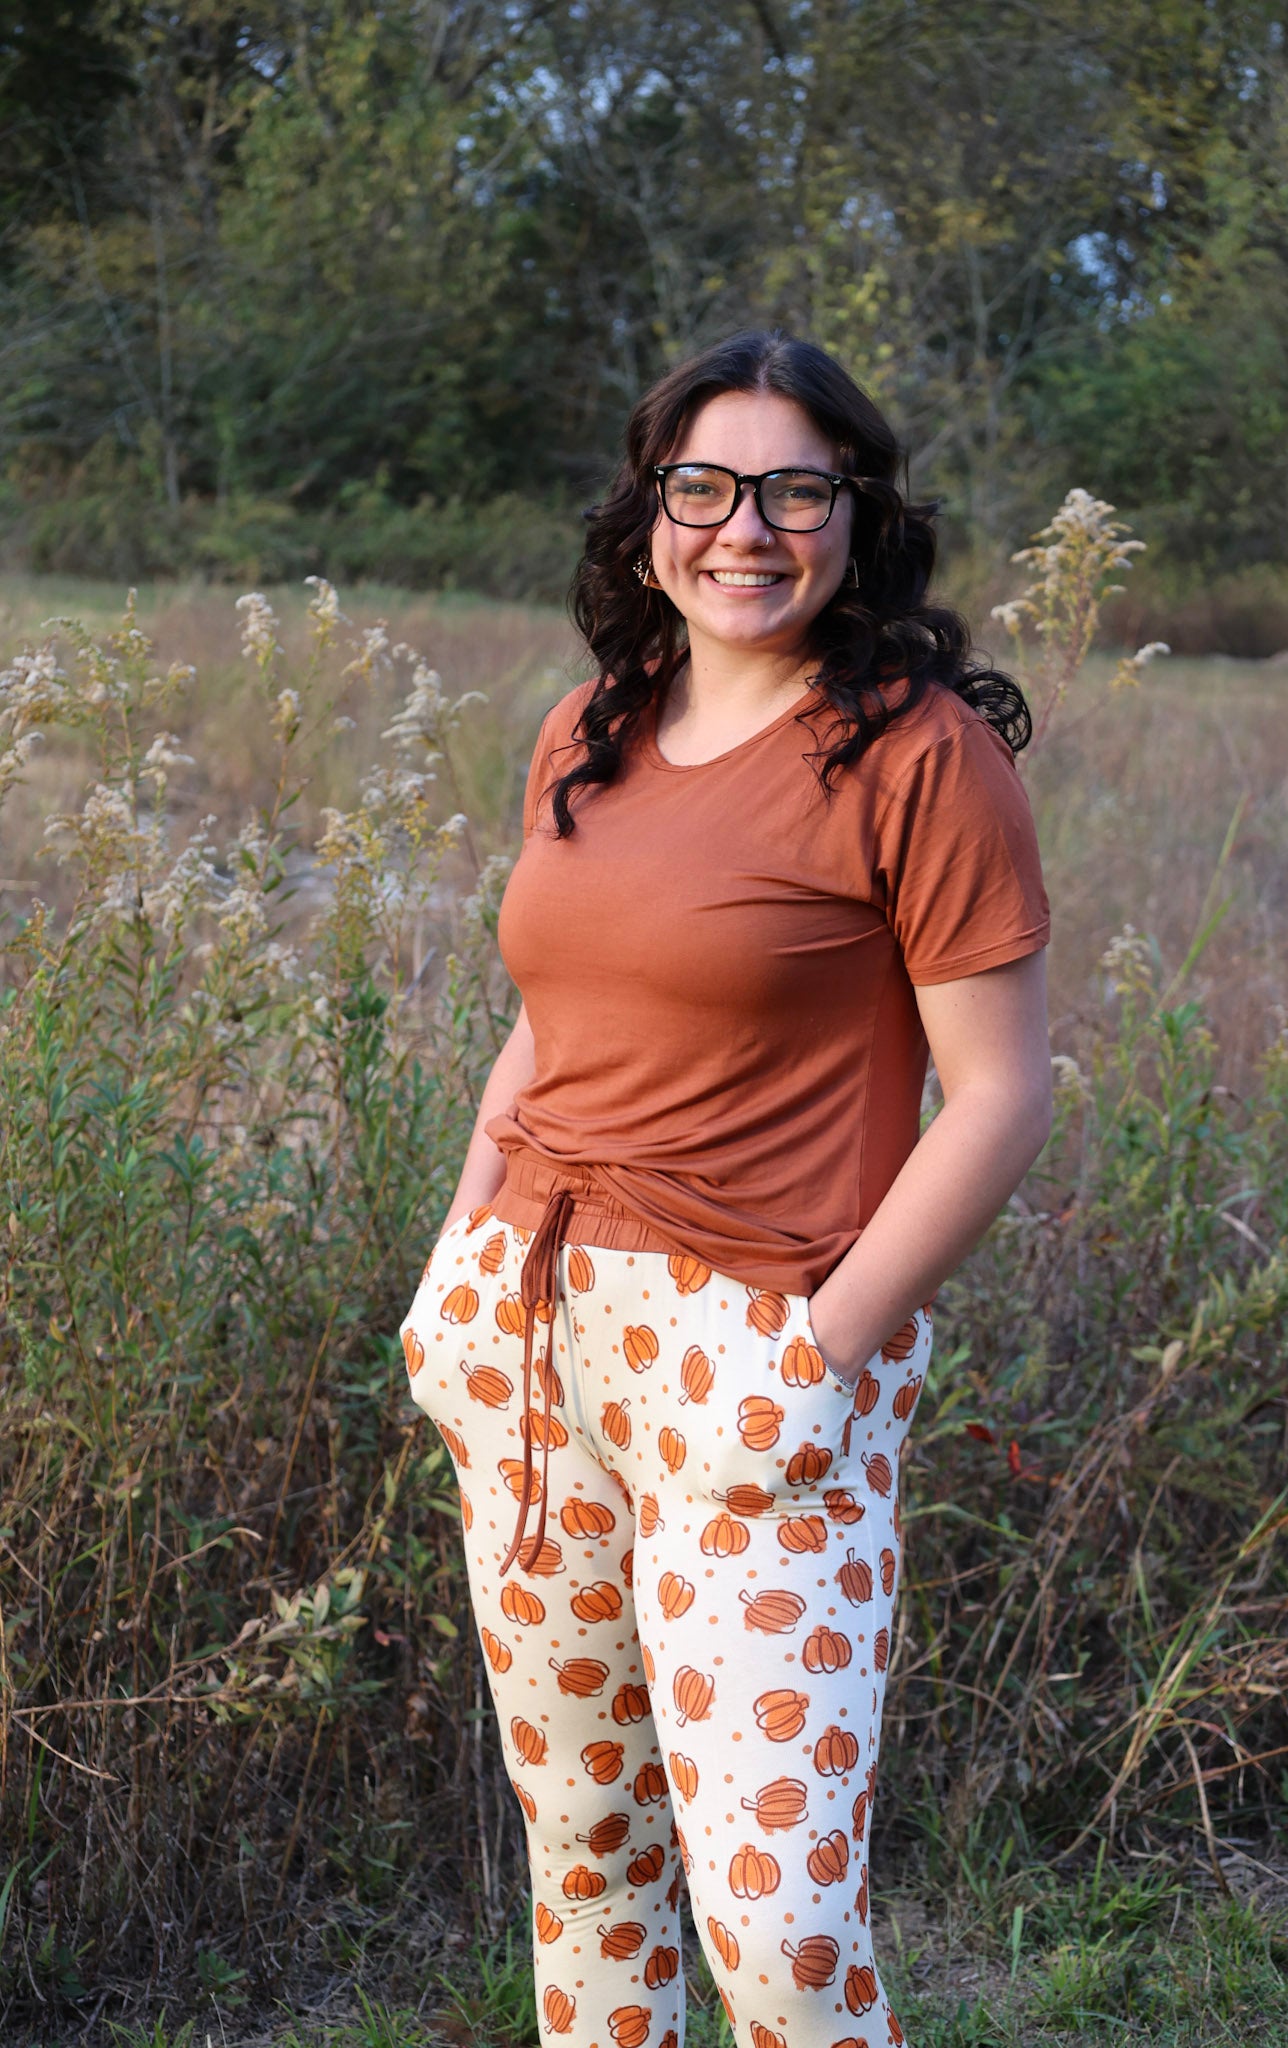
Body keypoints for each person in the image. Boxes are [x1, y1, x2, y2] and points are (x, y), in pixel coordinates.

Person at [401, 330, 1052, 2048]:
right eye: (704, 486)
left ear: (857, 518)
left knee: (774, 1928)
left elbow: (997, 1095)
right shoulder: (587, 729)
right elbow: (539, 1026)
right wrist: (449, 1275)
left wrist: (821, 1353)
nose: (743, 528)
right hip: (524, 1327)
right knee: (591, 1852)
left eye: (793, 490)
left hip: (757, 1355)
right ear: (648, 515)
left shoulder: (916, 757)